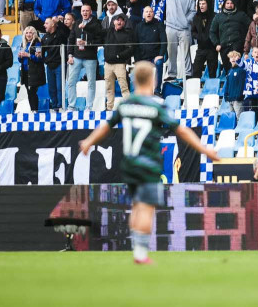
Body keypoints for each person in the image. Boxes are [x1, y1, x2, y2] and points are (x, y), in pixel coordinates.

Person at [78, 61, 220, 265]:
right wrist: (205, 149)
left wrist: (88, 142)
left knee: (137, 206)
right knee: (146, 208)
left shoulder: (125, 105)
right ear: (152, 80)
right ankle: (141, 253)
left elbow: (106, 126)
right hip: (148, 164)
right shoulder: (156, 106)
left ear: (134, 80)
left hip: (129, 164)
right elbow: (181, 129)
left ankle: (137, 248)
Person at [67, 4, 102, 110]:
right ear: (81, 12)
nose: (85, 12)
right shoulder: (77, 23)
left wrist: (87, 43)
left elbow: (100, 40)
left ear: (91, 12)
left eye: (87, 10)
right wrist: (70, 55)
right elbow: (71, 40)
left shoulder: (96, 24)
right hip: (76, 57)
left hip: (90, 58)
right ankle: (71, 106)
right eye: (83, 11)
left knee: (91, 83)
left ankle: (89, 107)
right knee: (71, 82)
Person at [103, 13, 134, 110]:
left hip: (120, 64)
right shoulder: (108, 31)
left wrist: (119, 56)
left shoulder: (127, 34)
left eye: (121, 20)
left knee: (124, 87)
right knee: (109, 88)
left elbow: (130, 49)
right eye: (117, 20)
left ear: (124, 23)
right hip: (108, 64)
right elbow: (96, 31)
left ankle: (129, 108)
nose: (119, 21)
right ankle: (109, 108)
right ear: (113, 22)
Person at [41, 17, 68, 111]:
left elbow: (66, 32)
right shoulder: (45, 37)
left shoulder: (60, 34)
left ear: (52, 24)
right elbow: (41, 51)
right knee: (51, 87)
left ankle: (60, 106)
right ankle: (54, 105)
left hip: (60, 65)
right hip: (49, 66)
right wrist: (46, 60)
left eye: (46, 23)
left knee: (60, 87)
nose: (44, 25)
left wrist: (59, 22)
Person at [17, 26, 46, 111]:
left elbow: (39, 58)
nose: (28, 34)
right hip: (25, 72)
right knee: (29, 92)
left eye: (30, 33)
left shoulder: (37, 43)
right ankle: (33, 110)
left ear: (34, 34)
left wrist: (28, 55)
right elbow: (20, 60)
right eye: (27, 33)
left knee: (32, 91)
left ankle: (34, 110)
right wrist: (20, 56)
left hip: (34, 72)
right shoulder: (23, 44)